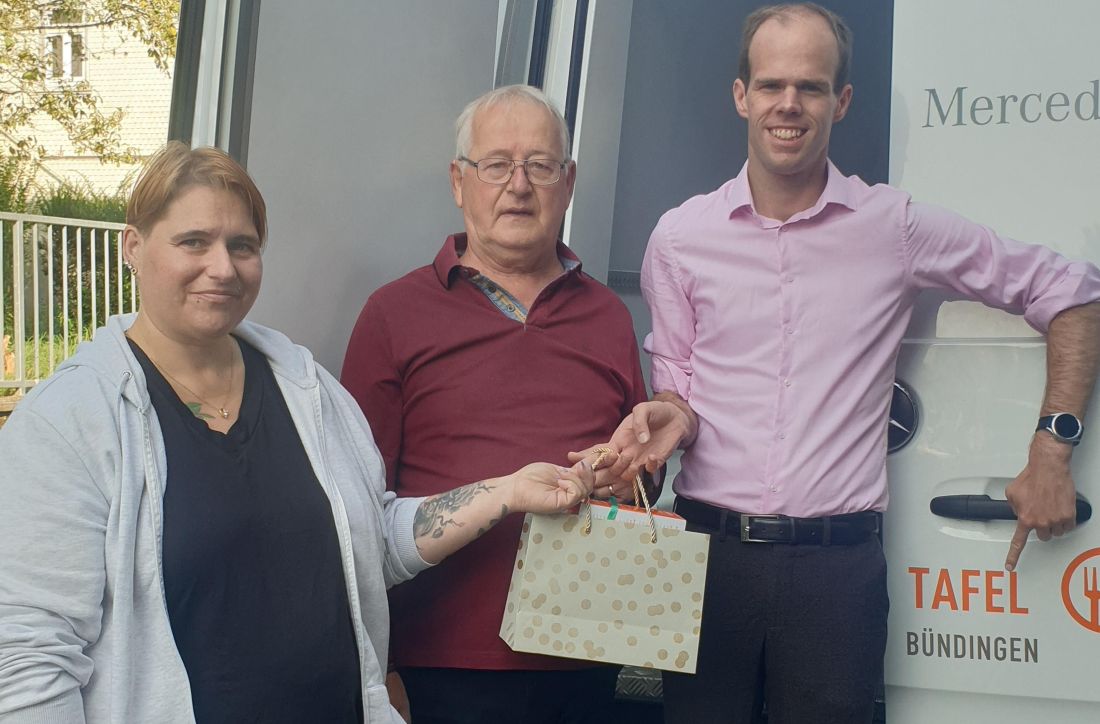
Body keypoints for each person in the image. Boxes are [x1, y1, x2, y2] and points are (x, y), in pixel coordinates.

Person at [603, 4, 1100, 723]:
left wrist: (1053, 449)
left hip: (834, 576)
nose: (788, 104)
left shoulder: (893, 227)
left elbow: (1075, 293)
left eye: (810, 86)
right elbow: (679, 390)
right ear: (741, 95)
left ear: (841, 101)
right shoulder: (680, 238)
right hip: (705, 560)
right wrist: (670, 418)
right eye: (771, 84)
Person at [0, 142, 597, 724]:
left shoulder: (305, 388)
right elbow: (26, 655)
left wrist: (505, 492)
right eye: (193, 242)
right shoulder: (71, 422)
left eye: (242, 246)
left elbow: (369, 541)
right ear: (133, 246)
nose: (222, 268)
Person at [341, 85, 650, 724]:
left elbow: (642, 464)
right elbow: (354, 509)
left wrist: (626, 473)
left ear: (568, 184)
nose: (519, 186)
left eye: (540, 166)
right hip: (440, 665)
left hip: (587, 652)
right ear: (459, 182)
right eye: (496, 165)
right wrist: (379, 668)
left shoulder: (608, 315)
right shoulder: (393, 314)